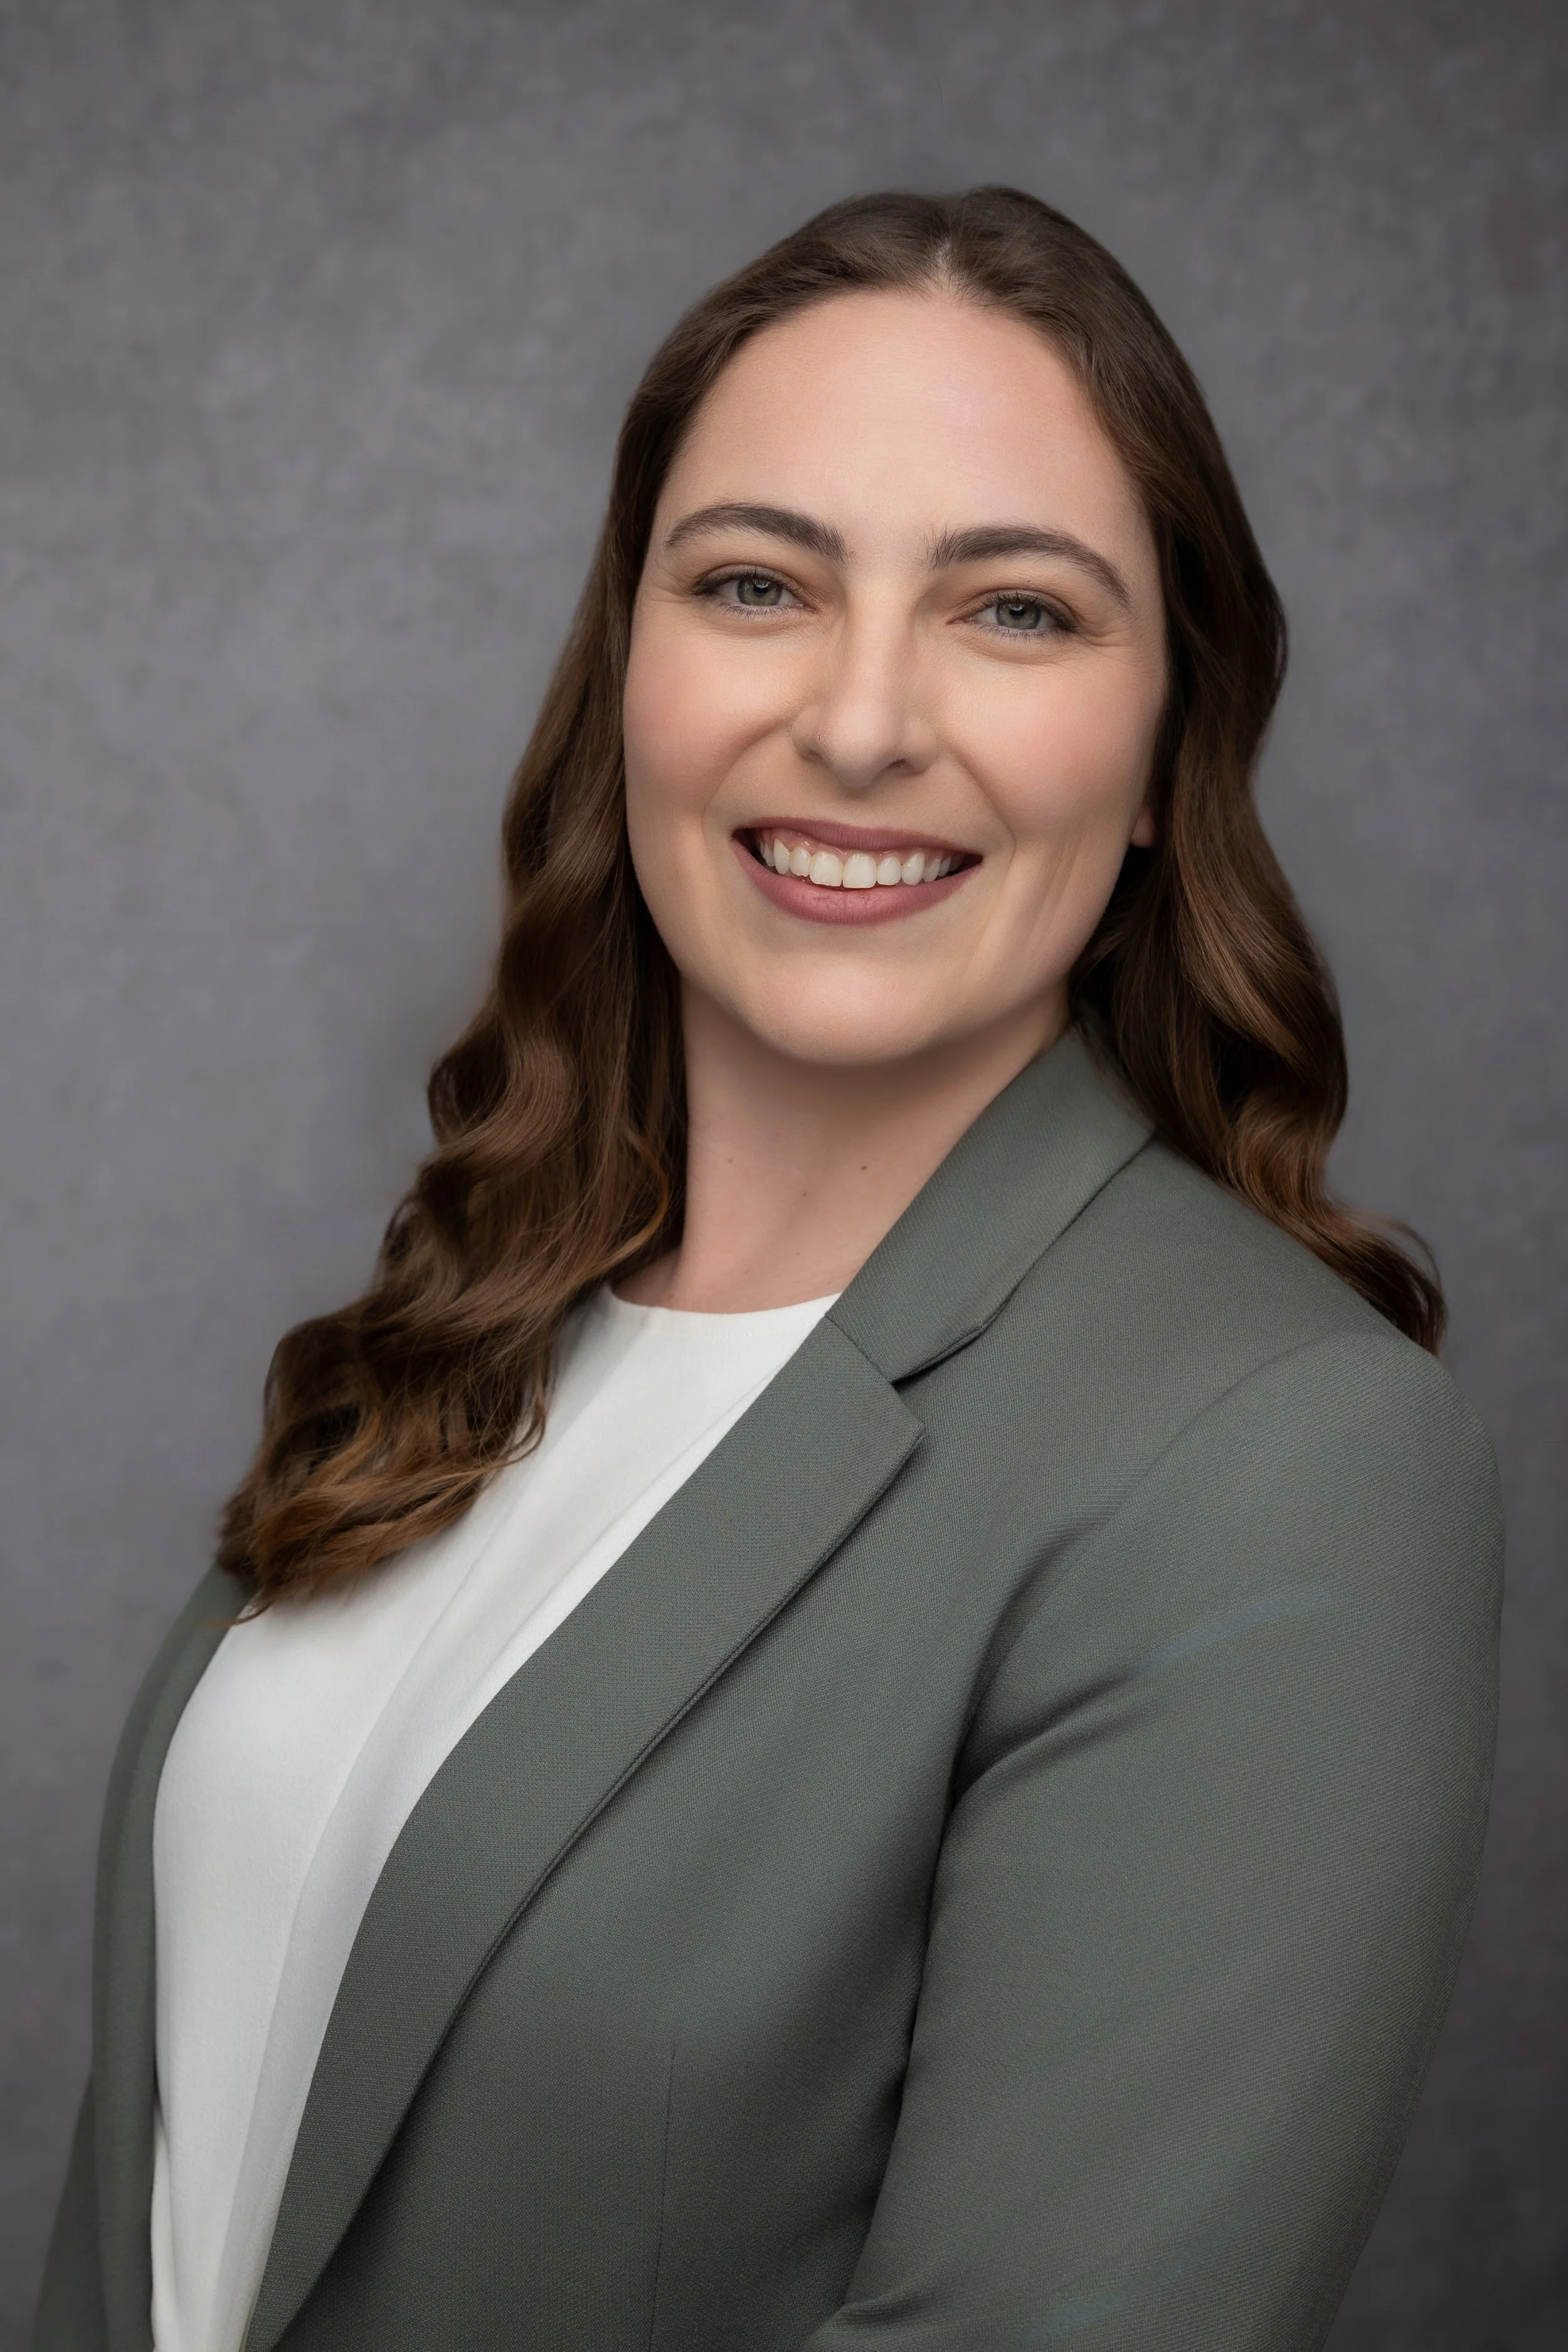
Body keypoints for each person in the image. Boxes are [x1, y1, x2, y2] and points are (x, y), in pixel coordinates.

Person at [35, 187, 1501, 2352]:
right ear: (627, 666)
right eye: (755, 583)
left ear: (1164, 755)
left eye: (1014, 610)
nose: (859, 719)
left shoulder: (1273, 1456)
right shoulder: (476, 1324)